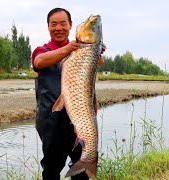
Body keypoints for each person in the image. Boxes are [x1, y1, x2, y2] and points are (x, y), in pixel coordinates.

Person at [31, 7, 104, 180]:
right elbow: (38, 62)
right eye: (53, 24)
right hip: (51, 122)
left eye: (63, 23)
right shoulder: (42, 51)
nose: (58, 28)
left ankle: (87, 167)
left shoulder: (80, 50)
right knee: (51, 169)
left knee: (82, 172)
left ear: (71, 25)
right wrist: (68, 49)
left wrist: (96, 53)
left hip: (79, 118)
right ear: (48, 27)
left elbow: (98, 63)